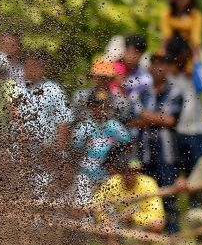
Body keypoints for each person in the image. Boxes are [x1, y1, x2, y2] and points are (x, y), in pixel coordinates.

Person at [131, 53, 184, 234]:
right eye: (154, 65)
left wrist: (146, 116)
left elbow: (171, 120)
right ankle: (148, 237)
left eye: (162, 65)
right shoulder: (142, 93)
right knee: (146, 197)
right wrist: (157, 118)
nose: (157, 68)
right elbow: (133, 121)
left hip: (167, 154)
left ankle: (173, 236)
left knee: (169, 196)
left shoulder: (175, 92)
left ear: (168, 69)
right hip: (144, 153)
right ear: (149, 68)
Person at [14, 49, 72, 201]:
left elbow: (63, 122)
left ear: (42, 68)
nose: (30, 70)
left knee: (44, 193)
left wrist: (60, 153)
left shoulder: (53, 90)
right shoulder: (17, 89)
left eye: (34, 66)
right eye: (27, 66)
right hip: (20, 152)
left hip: (46, 153)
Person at [71, 89, 131, 207]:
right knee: (83, 208)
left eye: (104, 105)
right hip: (85, 175)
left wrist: (116, 166)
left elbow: (128, 148)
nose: (100, 109)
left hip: (108, 176)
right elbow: (74, 152)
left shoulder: (115, 126)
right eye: (96, 105)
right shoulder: (83, 127)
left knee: (107, 209)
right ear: (90, 107)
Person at [92, 149, 165, 235]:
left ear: (139, 171)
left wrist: (134, 217)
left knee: (157, 224)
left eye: (133, 171)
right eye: (126, 171)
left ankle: (142, 244)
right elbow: (96, 203)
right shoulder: (112, 183)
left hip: (138, 224)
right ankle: (113, 243)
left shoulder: (148, 183)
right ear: (120, 172)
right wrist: (104, 219)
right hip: (116, 223)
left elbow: (157, 214)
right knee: (104, 226)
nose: (129, 175)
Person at [164, 36, 202, 181]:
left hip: (195, 131)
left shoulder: (193, 73)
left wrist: (196, 60)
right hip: (174, 132)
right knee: (173, 176)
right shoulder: (169, 76)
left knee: (196, 176)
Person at [71, 59, 133, 126]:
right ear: (93, 78)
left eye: (106, 77)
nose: (103, 80)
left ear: (112, 79)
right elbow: (73, 120)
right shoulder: (80, 97)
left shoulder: (120, 102)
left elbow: (125, 123)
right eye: (99, 77)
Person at [159, 0, 202, 68]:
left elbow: (195, 38)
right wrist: (162, 52)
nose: (183, 0)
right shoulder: (167, 15)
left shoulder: (195, 15)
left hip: (190, 50)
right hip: (171, 49)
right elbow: (166, 36)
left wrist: (196, 58)